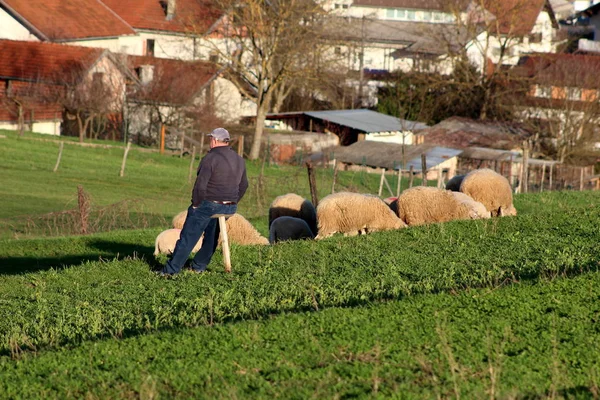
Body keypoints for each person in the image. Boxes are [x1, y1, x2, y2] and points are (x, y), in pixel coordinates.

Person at [160, 127, 248, 275]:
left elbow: (200, 186)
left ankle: (170, 271)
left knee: (188, 236)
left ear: (213, 140)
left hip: (209, 204)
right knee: (212, 235)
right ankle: (199, 266)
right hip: (230, 207)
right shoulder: (239, 159)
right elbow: (244, 185)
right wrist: (232, 201)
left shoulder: (210, 158)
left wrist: (195, 204)